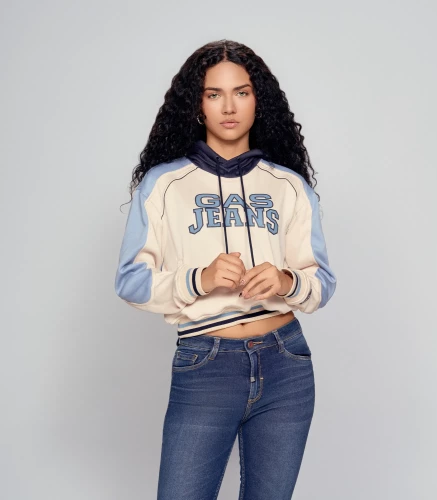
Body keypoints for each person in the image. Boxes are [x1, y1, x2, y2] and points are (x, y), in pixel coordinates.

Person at [115, 39, 337, 500]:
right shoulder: (164, 184)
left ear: (259, 100)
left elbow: (322, 282)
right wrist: (200, 279)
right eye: (214, 94)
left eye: (242, 92)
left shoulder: (289, 186)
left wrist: (286, 281)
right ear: (197, 105)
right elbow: (130, 281)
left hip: (287, 363)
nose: (229, 107)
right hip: (207, 363)